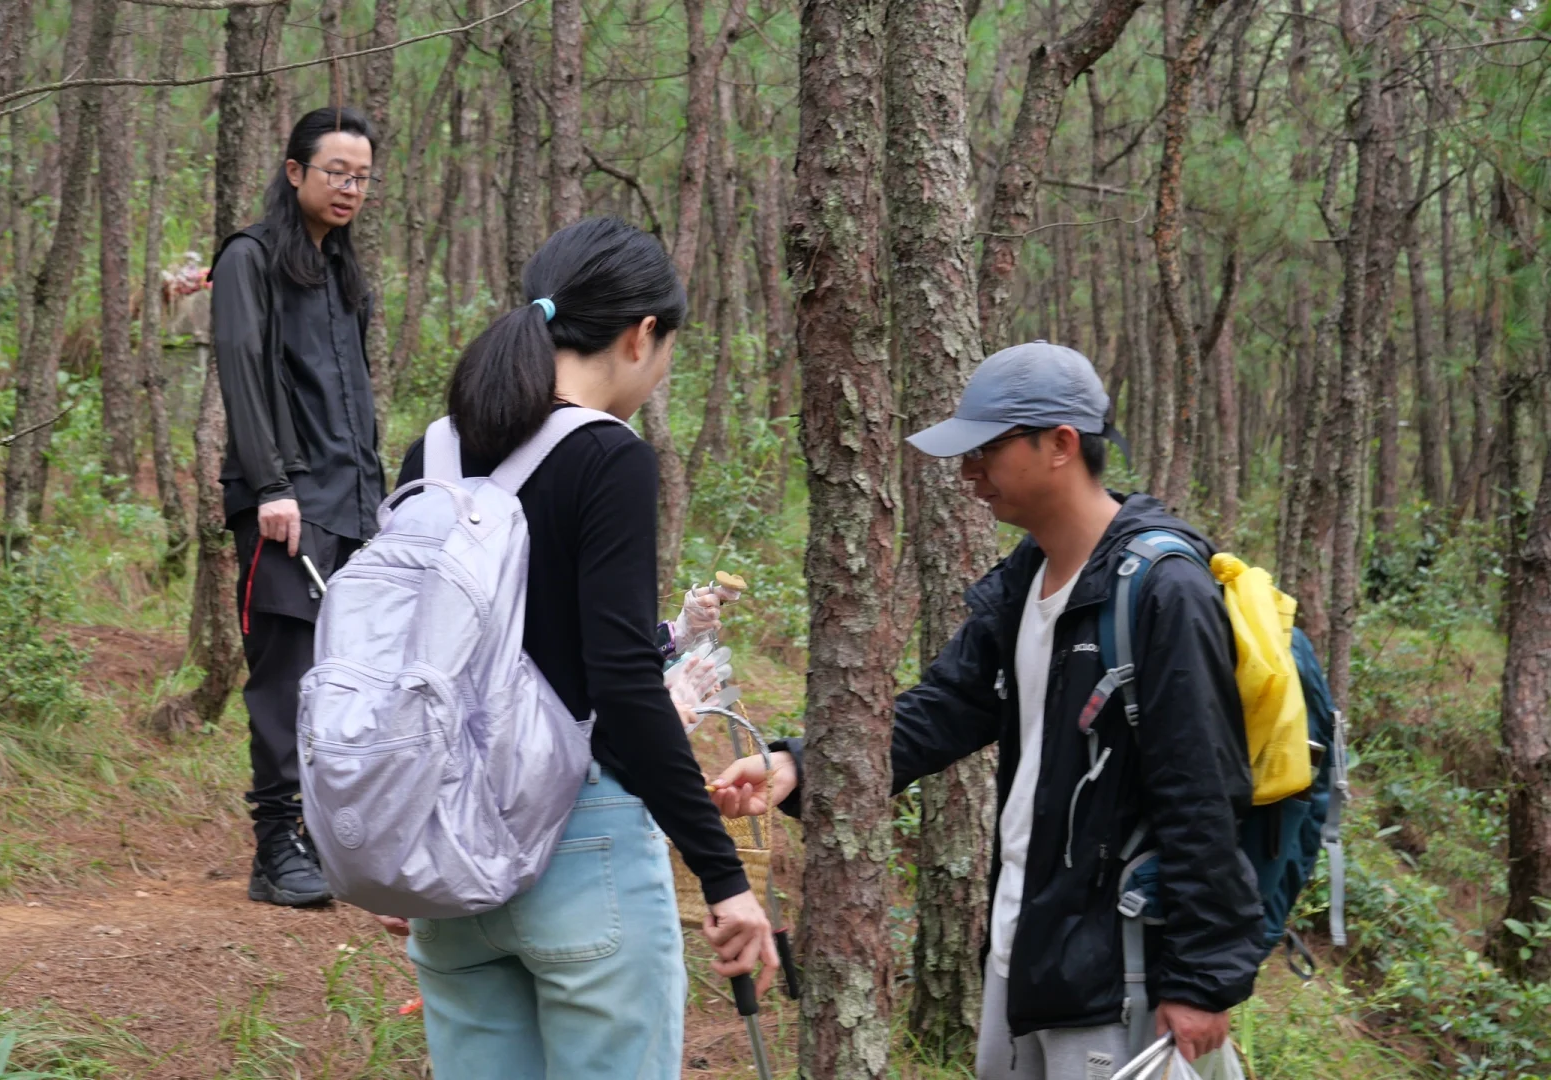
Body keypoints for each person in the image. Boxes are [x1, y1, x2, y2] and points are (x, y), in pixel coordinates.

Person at [710, 342, 1267, 1078]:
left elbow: (1205, 792)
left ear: (1061, 445)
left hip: (1120, 973)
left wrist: (1201, 980)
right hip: (1025, 956)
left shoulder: (1163, 592)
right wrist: (795, 765)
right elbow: (944, 708)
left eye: (988, 449)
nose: (968, 470)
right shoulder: (1025, 579)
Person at [377, 217, 777, 1079]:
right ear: (641, 336)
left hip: (453, 849)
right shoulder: (609, 459)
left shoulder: (434, 449)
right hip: (580, 847)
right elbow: (625, 689)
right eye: (666, 349)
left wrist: (402, 837)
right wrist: (722, 875)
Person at [211, 106, 383, 907]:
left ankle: (321, 835)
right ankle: (275, 845)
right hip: (285, 503)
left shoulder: (343, 274)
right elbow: (244, 373)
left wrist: (377, 503)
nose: (348, 188)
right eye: (335, 172)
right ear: (294, 172)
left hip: (351, 504)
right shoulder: (250, 259)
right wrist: (272, 486)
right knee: (284, 673)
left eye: (361, 177)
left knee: (342, 677)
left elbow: (354, 400)